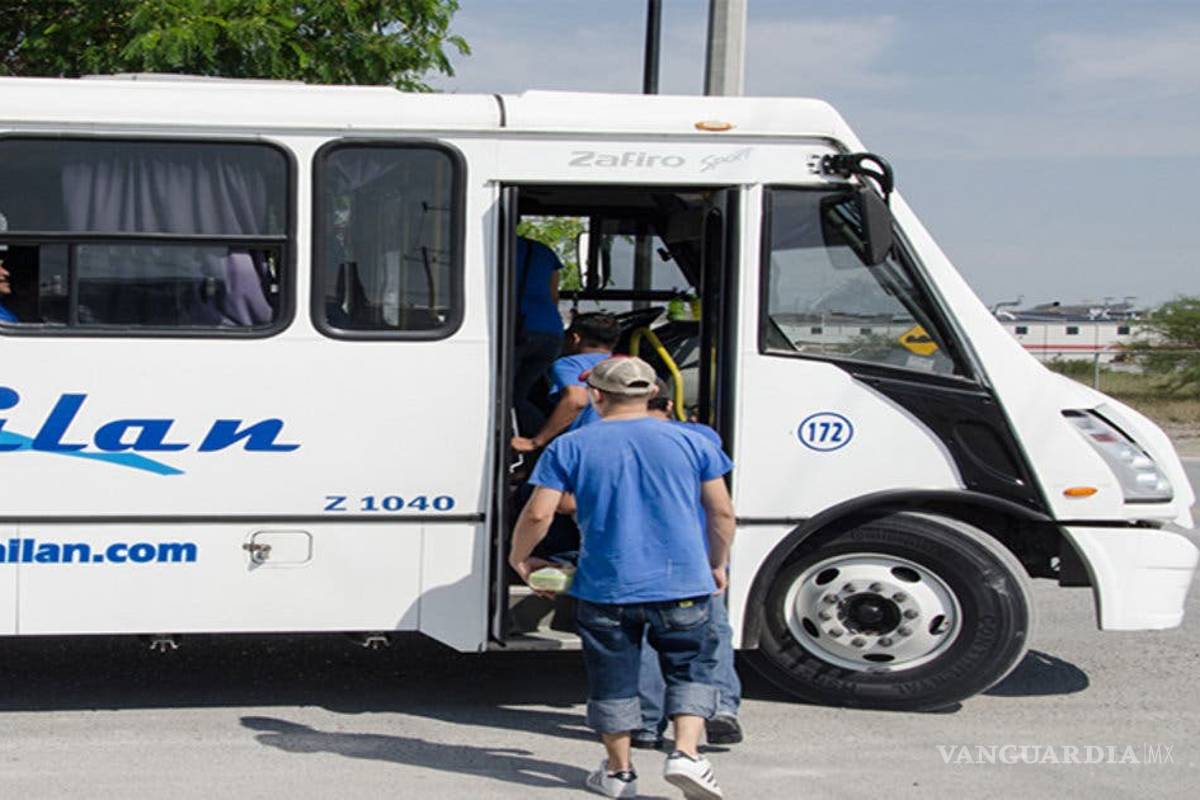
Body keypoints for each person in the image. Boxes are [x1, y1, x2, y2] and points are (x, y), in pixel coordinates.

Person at [510, 356, 736, 800]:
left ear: (596, 395)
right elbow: (722, 513)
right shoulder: (694, 442)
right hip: (684, 584)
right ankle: (686, 754)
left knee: (612, 678)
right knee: (690, 667)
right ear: (652, 392)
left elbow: (539, 514)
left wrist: (521, 558)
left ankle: (619, 773)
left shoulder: (570, 446)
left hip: (606, 586)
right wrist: (717, 562)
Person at [635, 388, 743, 749]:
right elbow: (721, 510)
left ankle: (647, 725)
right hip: (695, 558)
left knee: (647, 642)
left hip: (638, 560)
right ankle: (721, 708)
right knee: (711, 637)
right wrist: (719, 561)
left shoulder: (605, 437)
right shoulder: (700, 437)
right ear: (669, 404)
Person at [511, 312, 620, 453]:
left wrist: (536, 442)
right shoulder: (629, 366)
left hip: (587, 447)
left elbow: (576, 400)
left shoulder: (570, 364)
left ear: (575, 339)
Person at [512, 236, 566, 435]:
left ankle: (541, 439)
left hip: (518, 331)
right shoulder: (544, 251)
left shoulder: (494, 246)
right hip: (551, 332)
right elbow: (554, 296)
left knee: (508, 397)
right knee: (520, 395)